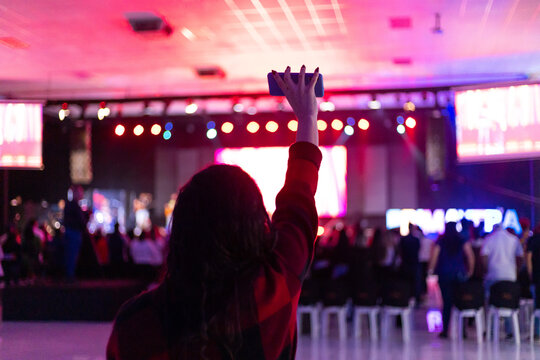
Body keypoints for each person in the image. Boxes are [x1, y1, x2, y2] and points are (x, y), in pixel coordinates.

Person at [107, 66, 322, 360]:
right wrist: (308, 118)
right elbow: (298, 200)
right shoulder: (273, 289)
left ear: (181, 228)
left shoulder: (134, 324)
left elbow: (298, 204)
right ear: (256, 226)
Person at [428, 222, 475, 338]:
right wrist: (470, 271)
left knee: (446, 302)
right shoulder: (461, 239)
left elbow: (435, 255)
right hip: (459, 274)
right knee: (461, 303)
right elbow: (470, 255)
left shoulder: (441, 240)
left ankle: (445, 330)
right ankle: (462, 331)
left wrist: (431, 269)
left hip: (444, 274)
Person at [481, 224, 524, 338]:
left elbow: (484, 257)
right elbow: (520, 257)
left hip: (493, 276)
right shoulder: (513, 239)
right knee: (509, 302)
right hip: (510, 276)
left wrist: (487, 270)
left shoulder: (489, 239)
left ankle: (490, 330)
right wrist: (516, 270)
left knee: (489, 302)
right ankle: (509, 331)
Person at [63, 185, 87, 281]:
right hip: (74, 232)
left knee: (71, 254)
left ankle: (70, 275)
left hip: (71, 232)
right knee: (72, 254)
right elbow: (80, 221)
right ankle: (70, 275)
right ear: (76, 193)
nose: (82, 194)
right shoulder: (74, 205)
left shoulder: (70, 205)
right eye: (80, 192)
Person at [398, 223, 421, 304]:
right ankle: (415, 300)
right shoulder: (416, 240)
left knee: (407, 284)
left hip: (406, 264)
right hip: (413, 264)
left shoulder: (403, 239)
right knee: (415, 284)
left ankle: (407, 298)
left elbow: (400, 252)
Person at [526, 223, 540, 338]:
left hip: (537, 276)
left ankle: (537, 333)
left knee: (537, 305)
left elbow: (529, 257)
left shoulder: (533, 239)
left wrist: (530, 273)